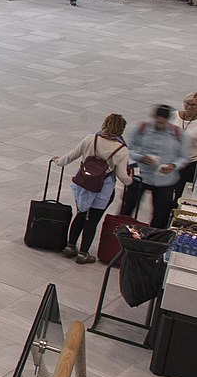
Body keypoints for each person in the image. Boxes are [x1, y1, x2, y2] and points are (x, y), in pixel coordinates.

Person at [53, 114, 132, 263]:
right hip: (103, 189)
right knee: (92, 220)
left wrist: (58, 161)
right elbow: (122, 176)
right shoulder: (121, 149)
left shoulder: (91, 139)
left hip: (83, 185)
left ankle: (70, 247)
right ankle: (83, 254)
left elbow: (71, 156)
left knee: (81, 214)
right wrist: (130, 181)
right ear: (121, 130)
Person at [121, 105, 185, 228]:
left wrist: (173, 165)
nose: (160, 125)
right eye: (158, 121)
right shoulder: (141, 128)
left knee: (161, 214)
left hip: (164, 180)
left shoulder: (177, 134)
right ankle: (122, 232)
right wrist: (141, 157)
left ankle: (153, 238)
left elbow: (183, 157)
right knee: (127, 207)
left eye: (163, 122)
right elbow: (128, 148)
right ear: (154, 117)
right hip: (141, 175)